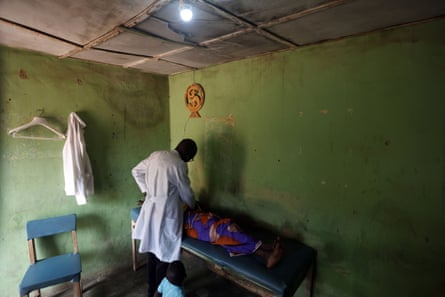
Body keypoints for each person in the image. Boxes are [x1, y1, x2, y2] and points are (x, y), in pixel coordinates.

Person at [132, 139, 197, 297]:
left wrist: (147, 191)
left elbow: (136, 171)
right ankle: (160, 291)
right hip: (168, 214)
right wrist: (194, 205)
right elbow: (186, 192)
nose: (189, 161)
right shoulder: (179, 165)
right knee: (165, 255)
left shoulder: (156, 155)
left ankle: (151, 290)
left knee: (153, 252)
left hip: (151, 211)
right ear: (187, 155)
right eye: (191, 158)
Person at [183, 209, 284, 269]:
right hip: (190, 225)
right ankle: (265, 251)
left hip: (193, 216)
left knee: (225, 235)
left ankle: (265, 250)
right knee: (227, 229)